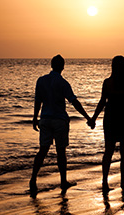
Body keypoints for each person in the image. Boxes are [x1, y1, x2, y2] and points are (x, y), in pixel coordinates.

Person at [30, 54, 92, 198]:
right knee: (61, 152)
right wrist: (87, 117)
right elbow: (73, 101)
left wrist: (35, 118)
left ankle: (33, 179)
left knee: (43, 151)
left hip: (45, 119)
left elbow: (37, 101)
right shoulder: (63, 83)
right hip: (59, 120)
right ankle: (63, 181)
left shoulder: (41, 81)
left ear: (51, 65)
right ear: (63, 67)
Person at [89, 55, 124, 193]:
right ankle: (123, 180)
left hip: (110, 118)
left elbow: (102, 102)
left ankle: (105, 181)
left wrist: (94, 118)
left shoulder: (107, 82)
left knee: (108, 151)